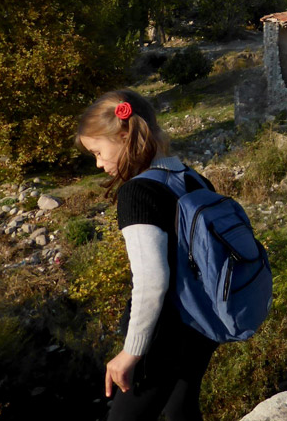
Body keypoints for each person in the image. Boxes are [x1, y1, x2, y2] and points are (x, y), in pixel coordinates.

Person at [77, 89, 218, 421]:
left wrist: (132, 351)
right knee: (181, 410)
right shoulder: (194, 179)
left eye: (98, 152)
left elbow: (153, 281)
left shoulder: (138, 192)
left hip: (162, 335)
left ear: (124, 136)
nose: (98, 163)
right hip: (202, 325)